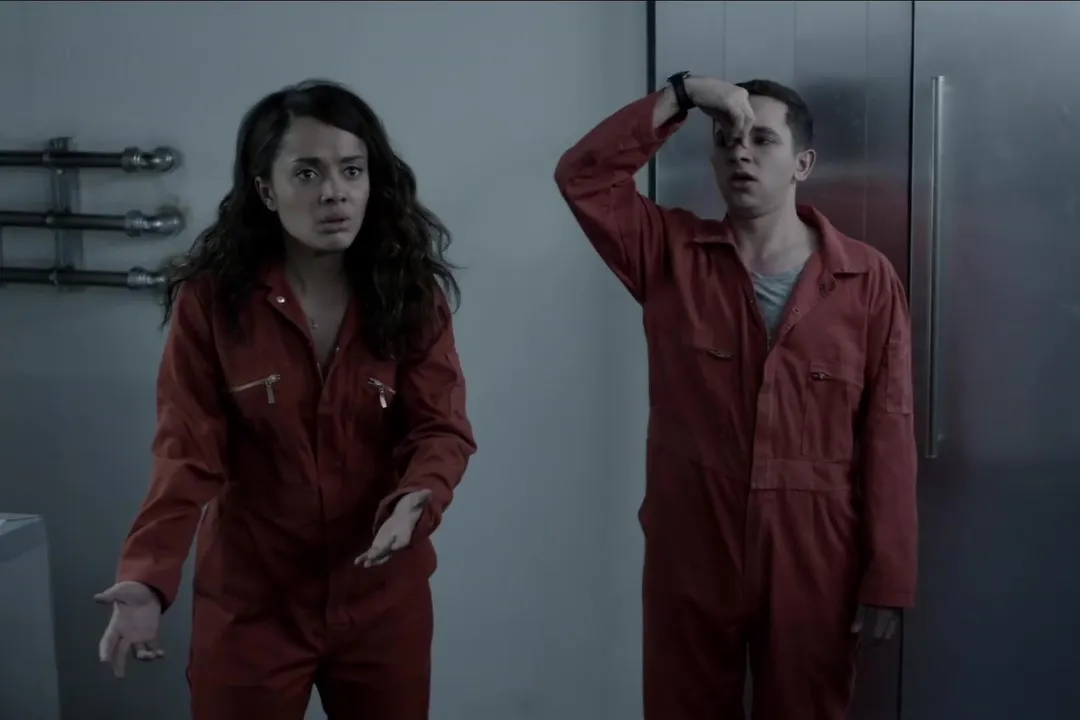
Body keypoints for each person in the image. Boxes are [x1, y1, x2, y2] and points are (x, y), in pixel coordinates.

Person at [93, 79, 476, 720]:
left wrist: (418, 498)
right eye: (307, 173)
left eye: (352, 170)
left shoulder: (410, 294)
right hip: (252, 604)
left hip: (380, 597)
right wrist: (146, 577)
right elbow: (185, 451)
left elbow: (442, 428)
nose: (334, 192)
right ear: (266, 191)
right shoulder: (214, 302)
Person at [554, 74, 918, 719]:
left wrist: (888, 574)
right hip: (694, 545)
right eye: (725, 141)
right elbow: (583, 177)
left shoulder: (865, 280)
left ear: (802, 163)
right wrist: (684, 94)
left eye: (761, 140)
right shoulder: (670, 256)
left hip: (814, 553)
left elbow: (889, 431)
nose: (740, 152)